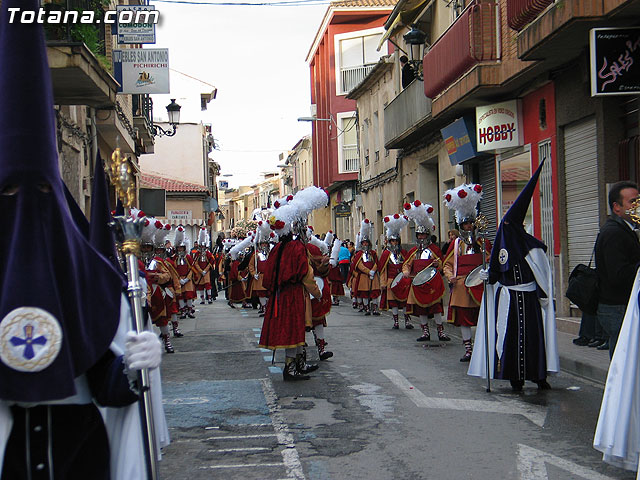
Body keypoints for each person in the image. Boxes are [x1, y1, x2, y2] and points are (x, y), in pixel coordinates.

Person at [0, 9, 164, 477]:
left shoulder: (87, 278)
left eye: (42, 192)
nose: (25, 206)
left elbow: (108, 384)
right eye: (8, 193)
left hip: (81, 457)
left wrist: (136, 365)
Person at [469, 160, 559, 391]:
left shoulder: (533, 248)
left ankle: (538, 376)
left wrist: (544, 297)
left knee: (533, 339)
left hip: (529, 301)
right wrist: (488, 275)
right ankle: (513, 377)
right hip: (507, 302)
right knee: (508, 338)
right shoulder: (502, 245)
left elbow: (543, 276)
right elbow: (496, 274)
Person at [258, 198, 323, 381]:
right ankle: (290, 367)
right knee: (293, 330)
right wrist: (316, 293)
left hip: (279, 294)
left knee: (295, 329)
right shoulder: (296, 247)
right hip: (293, 294)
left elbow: (268, 277)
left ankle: (298, 364)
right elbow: (306, 274)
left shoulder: (276, 248)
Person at [443, 184, 491, 362]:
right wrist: (450, 277)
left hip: (480, 285)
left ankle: (482, 347)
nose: (468, 226)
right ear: (460, 225)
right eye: (465, 224)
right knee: (464, 319)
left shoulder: (483, 242)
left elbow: (491, 260)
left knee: (483, 317)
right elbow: (447, 265)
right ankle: (468, 349)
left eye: (470, 223)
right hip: (462, 286)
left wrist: (488, 269)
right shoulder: (456, 245)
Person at [595, 180, 640, 358]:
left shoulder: (626, 229)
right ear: (617, 207)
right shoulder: (614, 233)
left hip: (621, 305)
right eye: (632, 201)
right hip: (617, 307)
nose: (637, 206)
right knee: (624, 357)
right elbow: (618, 274)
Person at [402, 201, 450, 342]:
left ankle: (441, 332)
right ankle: (425, 332)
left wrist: (437, 264)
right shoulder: (413, 251)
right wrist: (406, 272)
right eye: (419, 235)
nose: (421, 237)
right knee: (421, 310)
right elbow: (406, 265)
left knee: (436, 309)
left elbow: (442, 265)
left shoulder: (434, 250)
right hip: (418, 283)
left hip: (433, 284)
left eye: (423, 235)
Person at [378, 214, 412, 329]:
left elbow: (407, 264)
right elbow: (382, 269)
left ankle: (407, 321)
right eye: (392, 241)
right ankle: (396, 321)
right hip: (390, 281)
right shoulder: (386, 254)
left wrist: (406, 274)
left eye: (396, 241)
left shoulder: (403, 252)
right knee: (394, 303)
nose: (395, 243)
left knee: (405, 302)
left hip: (402, 280)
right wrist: (383, 283)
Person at [351, 220, 381, 315]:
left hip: (374, 275)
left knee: (375, 292)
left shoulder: (373, 253)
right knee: (364, 293)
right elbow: (359, 265)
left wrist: (373, 270)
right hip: (364, 276)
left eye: (366, 243)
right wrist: (368, 271)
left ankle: (375, 308)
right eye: (363, 243)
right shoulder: (359, 254)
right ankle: (366, 308)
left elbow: (377, 262)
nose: (365, 244)